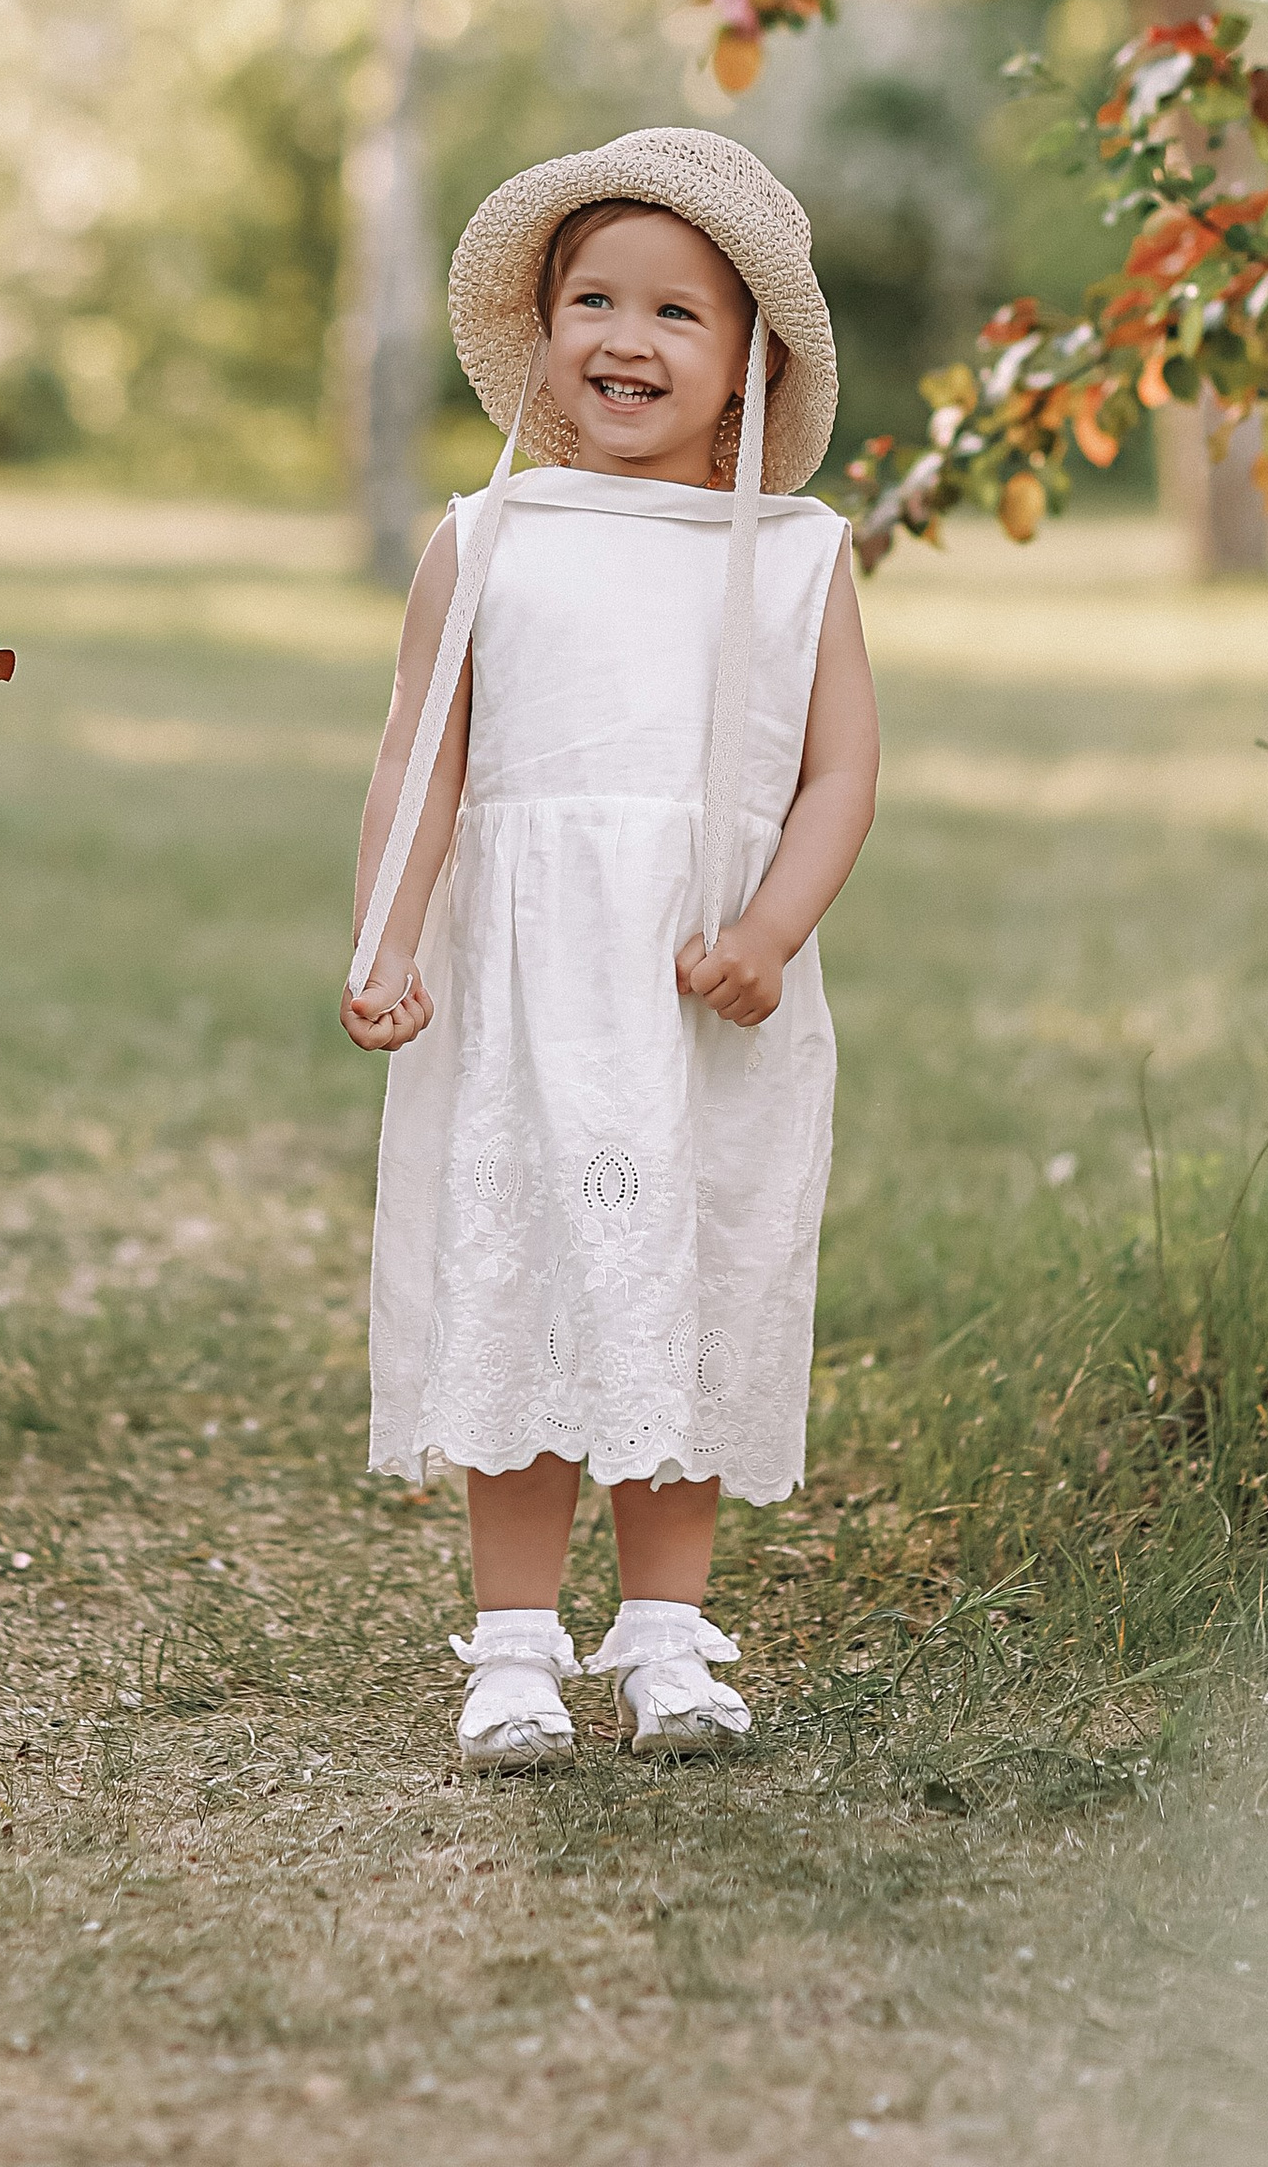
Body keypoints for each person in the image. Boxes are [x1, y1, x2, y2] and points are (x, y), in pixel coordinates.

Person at [342, 128, 880, 1770]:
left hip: (699, 995)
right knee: (527, 1274)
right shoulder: (487, 538)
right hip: (522, 993)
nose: (625, 339)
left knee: (685, 1282)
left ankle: (665, 1633)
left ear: (746, 368)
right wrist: (384, 938)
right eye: (593, 300)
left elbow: (841, 769)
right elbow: (419, 752)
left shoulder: (793, 557)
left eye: (676, 315)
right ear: (545, 327)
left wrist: (772, 931)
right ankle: (513, 1644)